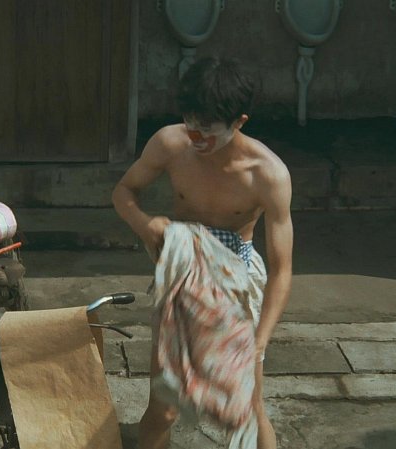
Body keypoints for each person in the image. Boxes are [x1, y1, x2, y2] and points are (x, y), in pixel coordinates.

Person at [111, 57, 293, 449]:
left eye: (207, 128)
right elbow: (123, 191)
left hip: (237, 277)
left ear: (239, 122)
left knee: (248, 407)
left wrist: (260, 341)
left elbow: (282, 270)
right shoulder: (170, 143)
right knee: (164, 407)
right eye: (190, 122)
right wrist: (145, 224)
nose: (196, 135)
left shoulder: (267, 174)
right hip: (181, 274)